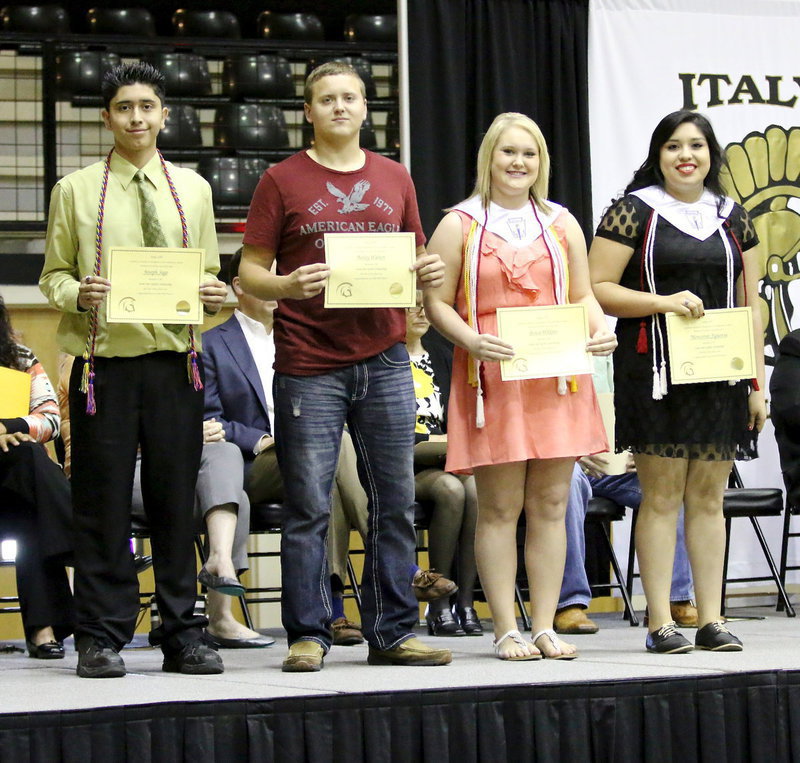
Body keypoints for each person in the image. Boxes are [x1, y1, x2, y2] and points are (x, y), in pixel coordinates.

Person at [239, 61, 451, 671]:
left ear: (365, 109)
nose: (339, 107)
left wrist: (428, 272)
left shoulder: (395, 177)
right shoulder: (280, 180)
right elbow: (249, 272)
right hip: (308, 362)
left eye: (350, 98)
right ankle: (309, 632)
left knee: (394, 500)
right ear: (308, 111)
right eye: (326, 99)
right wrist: (286, 283)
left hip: (386, 357)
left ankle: (392, 632)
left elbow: (415, 259)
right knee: (309, 506)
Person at [39, 61, 226, 677]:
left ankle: (182, 633)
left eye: (147, 106)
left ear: (164, 114)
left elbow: (207, 276)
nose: (137, 117)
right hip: (103, 369)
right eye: (124, 107)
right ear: (107, 117)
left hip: (176, 364)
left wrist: (214, 295)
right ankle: (100, 634)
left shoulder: (192, 189)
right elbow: (52, 277)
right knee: (102, 504)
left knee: (178, 500)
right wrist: (77, 294)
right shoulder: (75, 189)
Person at [424, 112, 616, 660]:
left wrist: (600, 329)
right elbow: (434, 301)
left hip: (557, 379)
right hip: (492, 380)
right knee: (501, 508)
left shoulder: (562, 222)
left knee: (553, 503)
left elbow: (582, 295)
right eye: (508, 152)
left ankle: (547, 623)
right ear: (489, 157)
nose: (518, 163)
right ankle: (506, 626)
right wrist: (470, 339)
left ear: (542, 163)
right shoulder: (460, 223)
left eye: (528, 154)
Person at [588, 109, 766, 653]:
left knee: (708, 498)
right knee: (661, 497)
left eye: (696, 145)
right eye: (672, 146)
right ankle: (660, 620)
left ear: (712, 155)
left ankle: (711, 619)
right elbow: (597, 287)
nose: (684, 155)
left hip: (721, 373)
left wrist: (756, 383)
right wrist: (662, 303)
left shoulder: (734, 217)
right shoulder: (632, 211)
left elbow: (750, 303)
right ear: (657, 154)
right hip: (655, 371)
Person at [0, 296, 75, 658]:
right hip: (21, 484)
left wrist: (8, 426)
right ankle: (85, 543)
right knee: (34, 497)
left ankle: (45, 631)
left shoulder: (19, 358)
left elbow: (50, 420)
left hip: (14, 482)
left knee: (28, 466)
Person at [406, 301, 481, 636]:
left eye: (425, 306)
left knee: (478, 491)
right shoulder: (384, 359)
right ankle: (437, 601)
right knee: (451, 490)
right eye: (412, 307)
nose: (421, 313)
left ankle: (465, 602)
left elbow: (461, 414)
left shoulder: (441, 352)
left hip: (445, 456)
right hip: (403, 463)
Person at [554, 457, 696, 634]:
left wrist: (639, 454)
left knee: (667, 484)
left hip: (610, 465)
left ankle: (673, 601)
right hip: (565, 460)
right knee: (569, 477)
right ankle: (568, 603)